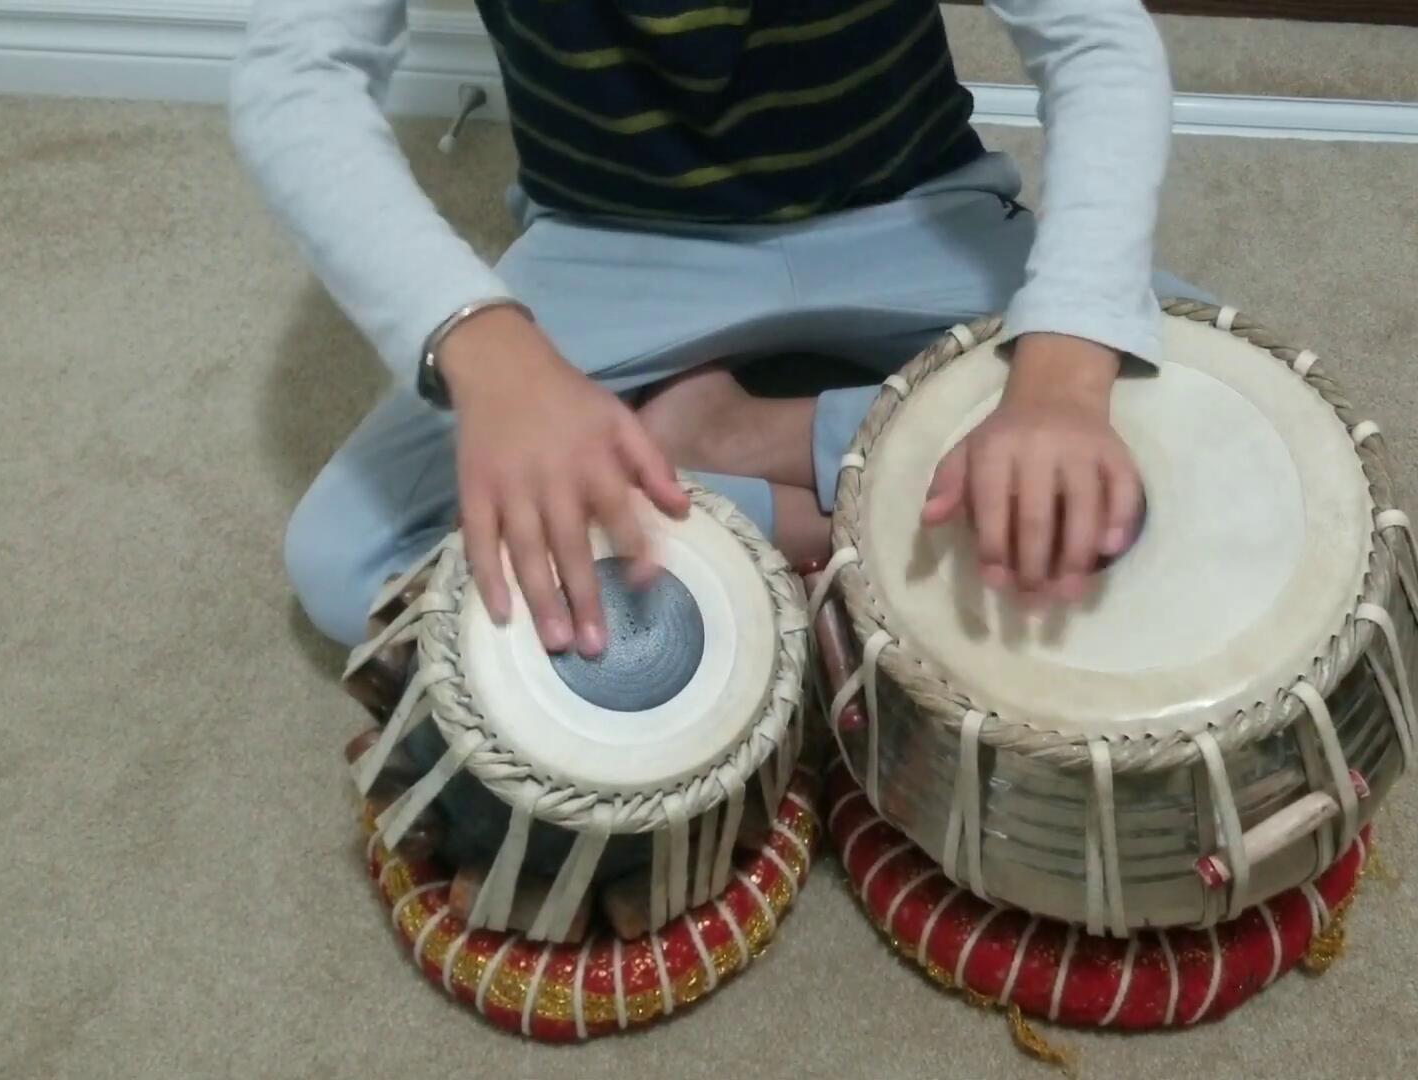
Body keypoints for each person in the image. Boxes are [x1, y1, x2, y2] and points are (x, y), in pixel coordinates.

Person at [232, 0, 1207, 661]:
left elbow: (1097, 41)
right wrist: (490, 356)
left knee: (1222, 410)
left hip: (910, 213)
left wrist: (1061, 380)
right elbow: (296, 83)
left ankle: (750, 440)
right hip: (608, 244)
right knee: (348, 564)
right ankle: (836, 511)